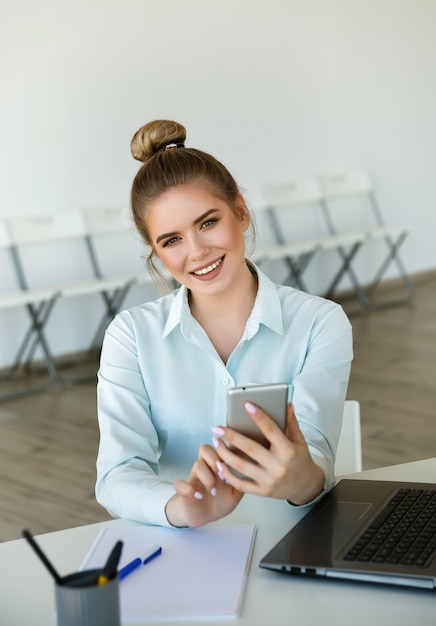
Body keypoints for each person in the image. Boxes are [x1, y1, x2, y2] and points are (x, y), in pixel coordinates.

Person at [95, 119, 353, 529]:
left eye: (208, 222)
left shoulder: (320, 323)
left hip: (294, 537)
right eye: (172, 240)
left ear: (241, 212)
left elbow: (315, 454)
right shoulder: (130, 337)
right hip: (182, 543)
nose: (196, 252)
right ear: (156, 252)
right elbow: (117, 474)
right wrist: (181, 509)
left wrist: (300, 478)